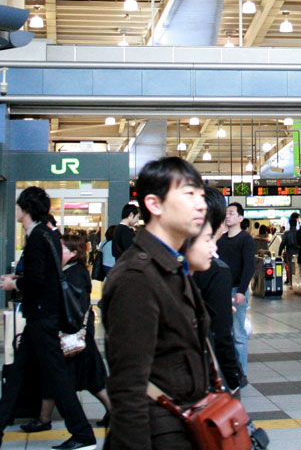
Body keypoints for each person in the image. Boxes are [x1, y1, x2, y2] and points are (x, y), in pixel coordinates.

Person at [0, 186, 96, 450]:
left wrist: (15, 285)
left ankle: (82, 434)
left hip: (41, 317)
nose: (16, 210)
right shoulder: (48, 235)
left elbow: (37, 280)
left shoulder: (36, 238)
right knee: (20, 375)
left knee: (54, 376)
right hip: (44, 316)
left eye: (18, 206)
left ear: (26, 209)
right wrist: (21, 281)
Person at [99, 157, 209, 450]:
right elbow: (127, 388)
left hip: (183, 426)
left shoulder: (172, 267)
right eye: (188, 194)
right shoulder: (137, 277)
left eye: (201, 195)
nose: (201, 204)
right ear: (154, 204)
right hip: (156, 434)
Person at [22, 232, 112, 432]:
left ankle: (45, 419)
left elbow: (73, 308)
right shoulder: (66, 271)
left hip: (74, 335)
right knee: (64, 377)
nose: (56, 251)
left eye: (61, 248)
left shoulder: (75, 274)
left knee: (83, 378)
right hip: (72, 336)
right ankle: (44, 418)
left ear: (73, 253)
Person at [193, 186, 245, 391]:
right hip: (203, 375)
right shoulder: (215, 269)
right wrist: (234, 379)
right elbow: (221, 335)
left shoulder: (169, 262)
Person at [216, 202, 255, 376]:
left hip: (236, 290)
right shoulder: (220, 240)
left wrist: (241, 290)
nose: (227, 216)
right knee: (225, 332)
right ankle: (228, 372)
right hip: (222, 291)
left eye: (231, 213)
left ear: (240, 218)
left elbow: (249, 266)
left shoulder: (245, 239)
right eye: (226, 213)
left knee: (239, 333)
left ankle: (241, 373)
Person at [280, 213, 300, 285]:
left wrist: (279, 253)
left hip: (290, 252)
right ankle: (297, 282)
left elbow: (282, 244)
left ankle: (291, 282)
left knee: (290, 267)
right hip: (298, 252)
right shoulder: (299, 233)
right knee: (298, 267)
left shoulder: (287, 233)